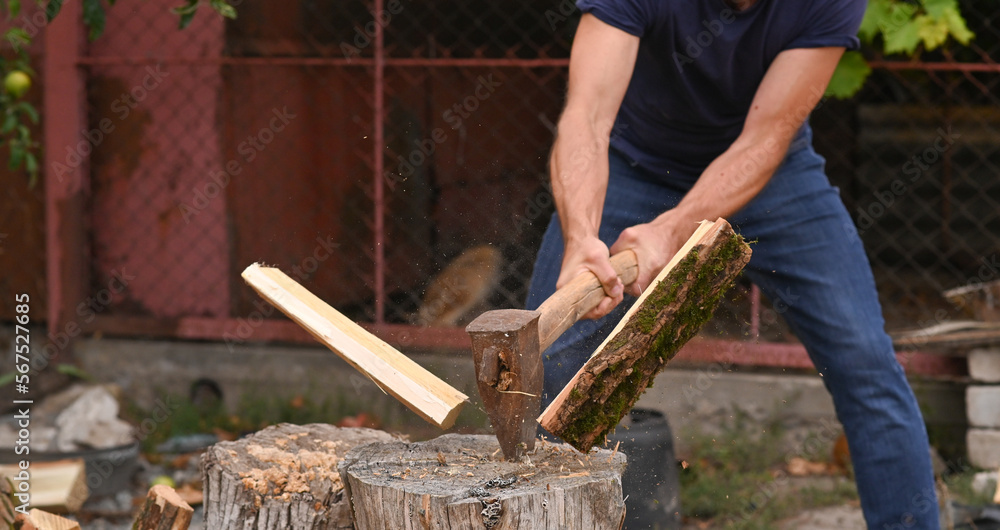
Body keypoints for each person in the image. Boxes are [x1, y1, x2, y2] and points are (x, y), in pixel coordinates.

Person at [525, 0, 941, 527]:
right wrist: (581, 235)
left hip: (773, 176)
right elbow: (585, 115)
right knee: (549, 366)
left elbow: (764, 140)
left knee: (865, 362)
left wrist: (673, 228)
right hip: (633, 166)